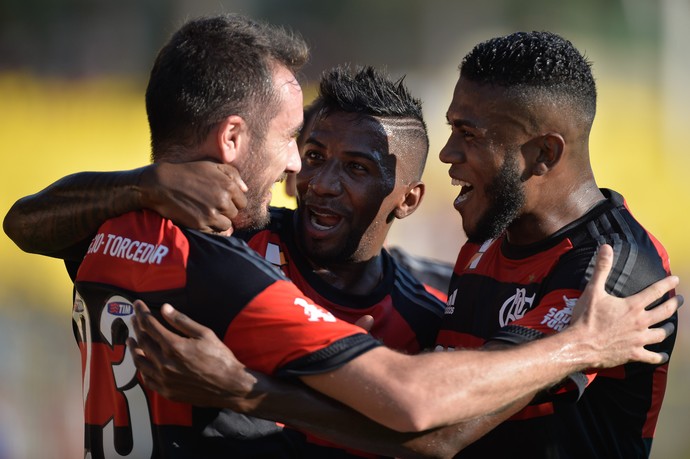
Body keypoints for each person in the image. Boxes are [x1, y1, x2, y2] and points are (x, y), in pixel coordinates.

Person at [3, 21, 681, 459]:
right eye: (310, 149)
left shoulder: (609, 277)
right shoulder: (236, 246)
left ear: (406, 200)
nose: (312, 177)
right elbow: (26, 224)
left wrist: (247, 390)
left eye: (356, 168)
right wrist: (147, 183)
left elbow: (432, 428)